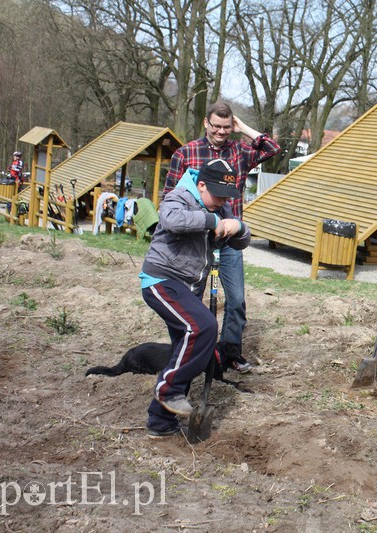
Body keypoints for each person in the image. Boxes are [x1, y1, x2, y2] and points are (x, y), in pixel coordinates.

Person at [165, 101, 280, 372]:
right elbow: (169, 196)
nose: (220, 132)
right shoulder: (186, 153)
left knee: (236, 299)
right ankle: (187, 354)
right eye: (216, 126)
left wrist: (243, 129)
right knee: (192, 299)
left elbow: (272, 148)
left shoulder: (239, 151)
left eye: (226, 127)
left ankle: (229, 352)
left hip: (229, 239)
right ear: (206, 123)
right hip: (196, 239)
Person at [141, 158, 252, 438]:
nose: (223, 201)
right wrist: (213, 220)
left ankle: (160, 422)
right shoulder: (179, 196)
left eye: (228, 196)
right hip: (163, 280)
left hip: (189, 288)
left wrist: (237, 228)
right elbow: (171, 220)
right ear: (200, 185)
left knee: (189, 350)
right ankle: (168, 389)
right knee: (204, 328)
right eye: (217, 195)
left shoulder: (219, 205)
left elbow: (240, 239)